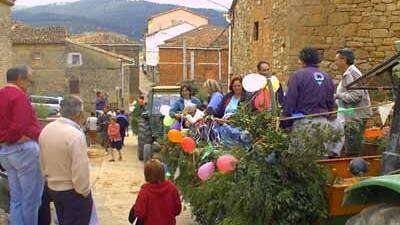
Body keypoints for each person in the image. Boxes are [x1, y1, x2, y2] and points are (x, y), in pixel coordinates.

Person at [0, 65, 44, 225]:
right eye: (28, 79)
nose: (30, 82)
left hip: (6, 152)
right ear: (19, 79)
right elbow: (19, 125)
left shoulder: (1, 94)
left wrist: (3, 139)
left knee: (17, 199)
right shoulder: (19, 97)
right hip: (23, 150)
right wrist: (13, 137)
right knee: (31, 200)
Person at [39, 96, 93, 225]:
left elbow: (41, 161)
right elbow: (80, 169)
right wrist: (84, 192)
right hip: (72, 192)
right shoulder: (75, 135)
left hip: (54, 189)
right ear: (79, 114)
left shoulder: (46, 130)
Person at [335, 48, 372, 155]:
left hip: (356, 117)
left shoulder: (351, 73)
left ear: (344, 60)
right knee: (351, 146)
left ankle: (354, 169)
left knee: (352, 149)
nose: (335, 63)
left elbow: (356, 95)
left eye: (336, 60)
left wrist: (337, 96)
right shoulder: (350, 72)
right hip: (352, 115)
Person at [132, 159, 182, 225]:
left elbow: (139, 213)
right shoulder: (172, 188)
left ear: (146, 174)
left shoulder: (145, 191)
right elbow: (177, 210)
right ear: (162, 172)